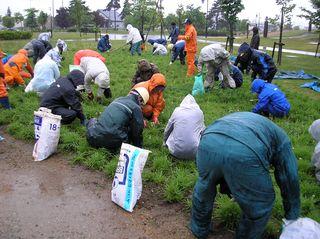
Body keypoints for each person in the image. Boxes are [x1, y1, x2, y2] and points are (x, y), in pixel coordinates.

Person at [191, 111, 300, 239]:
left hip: (208, 140)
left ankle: (199, 229)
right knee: (260, 203)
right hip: (244, 151)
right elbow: (289, 178)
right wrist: (292, 216)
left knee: (205, 185)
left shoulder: (250, 119)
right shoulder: (282, 140)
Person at [163, 94, 205, 160]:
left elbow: (168, 128)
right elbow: (203, 131)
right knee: (198, 130)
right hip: (194, 152)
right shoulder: (199, 113)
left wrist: (164, 141)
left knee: (174, 128)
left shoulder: (177, 111)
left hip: (175, 152)